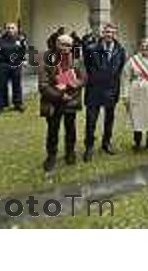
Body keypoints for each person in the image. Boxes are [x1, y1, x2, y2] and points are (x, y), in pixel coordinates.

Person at [39, 34, 85, 172]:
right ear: (57, 44)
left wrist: (74, 86)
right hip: (54, 102)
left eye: (69, 45)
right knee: (53, 131)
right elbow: (43, 85)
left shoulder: (77, 60)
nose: (66, 48)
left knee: (70, 129)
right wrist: (60, 95)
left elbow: (83, 79)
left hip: (71, 100)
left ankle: (70, 152)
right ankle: (51, 156)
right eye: (63, 44)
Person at [83, 23, 126, 160]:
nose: (109, 35)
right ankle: (89, 146)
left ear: (115, 34)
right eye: (107, 32)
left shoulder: (120, 50)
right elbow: (88, 66)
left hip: (111, 89)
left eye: (112, 32)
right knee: (91, 120)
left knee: (109, 119)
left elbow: (119, 68)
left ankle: (106, 143)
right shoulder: (92, 49)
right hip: (94, 89)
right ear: (103, 33)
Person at [123, 38, 148, 151]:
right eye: (142, 47)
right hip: (136, 93)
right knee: (137, 117)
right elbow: (125, 77)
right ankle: (137, 143)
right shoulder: (133, 60)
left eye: (147, 47)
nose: (145, 49)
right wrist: (125, 94)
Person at [0, 22, 27, 117]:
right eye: (8, 28)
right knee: (0, 86)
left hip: (16, 65)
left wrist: (22, 60)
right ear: (5, 29)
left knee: (17, 85)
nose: (10, 30)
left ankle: (18, 104)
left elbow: (23, 51)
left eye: (12, 28)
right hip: (3, 65)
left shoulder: (20, 39)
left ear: (16, 29)